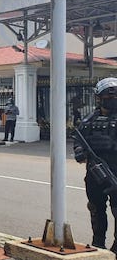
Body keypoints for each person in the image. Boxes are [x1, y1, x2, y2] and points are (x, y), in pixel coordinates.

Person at [74, 77, 117, 253]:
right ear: (99, 98)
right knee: (96, 209)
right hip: (94, 173)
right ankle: (98, 243)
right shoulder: (90, 119)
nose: (112, 99)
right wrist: (79, 151)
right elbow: (78, 139)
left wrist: (112, 145)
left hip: (115, 172)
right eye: (108, 96)